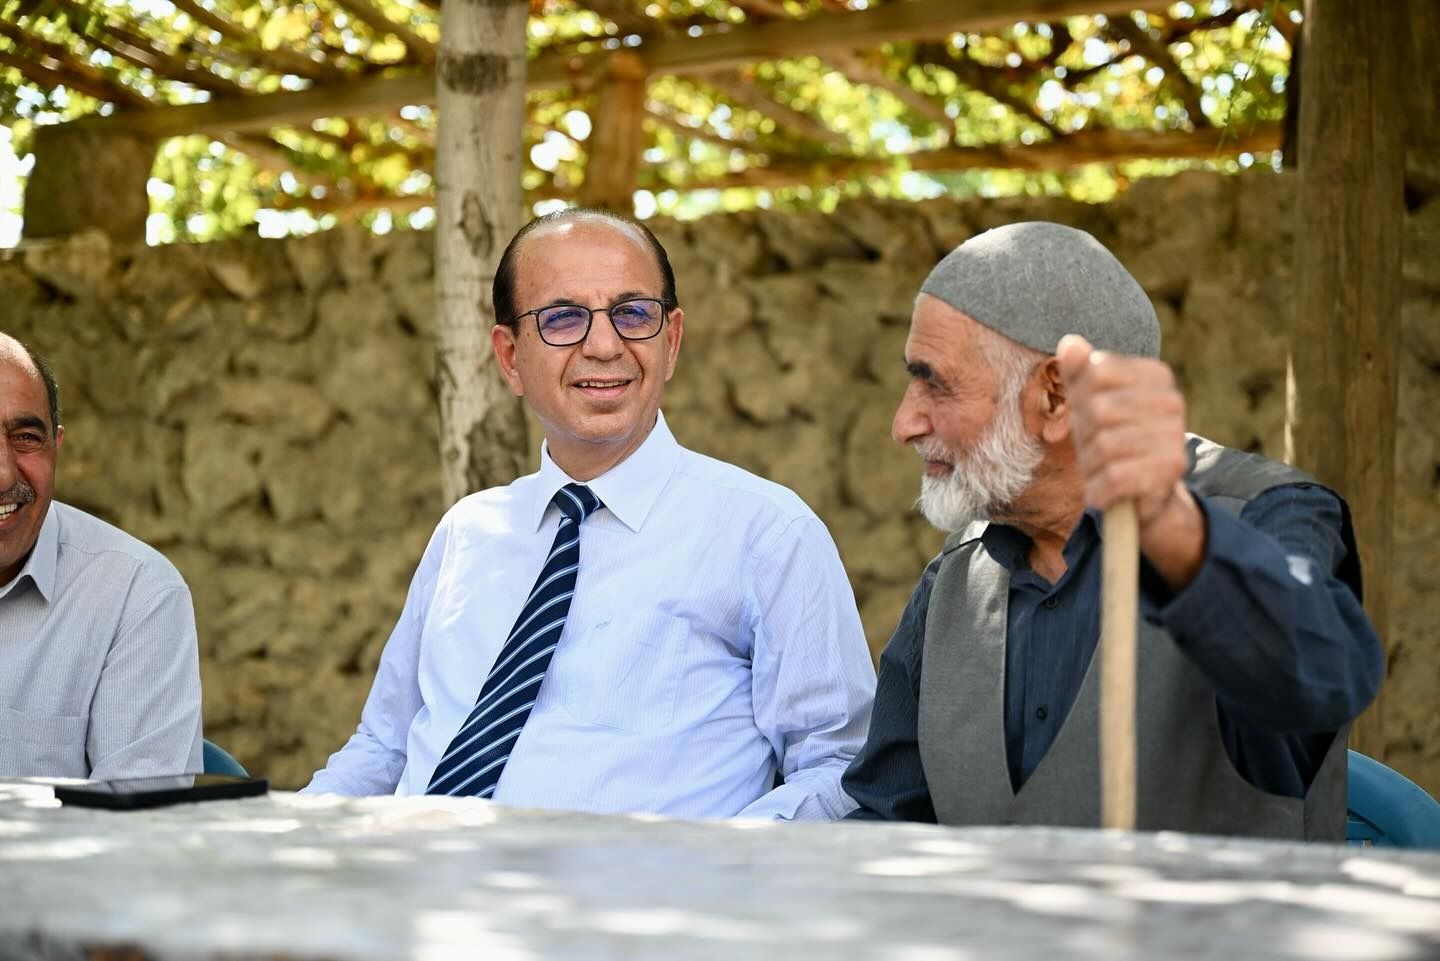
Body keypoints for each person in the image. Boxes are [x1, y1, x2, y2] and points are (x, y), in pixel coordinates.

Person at [305, 210, 875, 819]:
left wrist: (714, 861)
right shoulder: (466, 533)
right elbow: (384, 746)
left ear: (671, 341)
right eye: (562, 318)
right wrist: (280, 831)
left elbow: (837, 765)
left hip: (637, 879)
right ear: (509, 357)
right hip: (422, 868)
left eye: (633, 313)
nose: (604, 346)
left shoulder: (766, 534)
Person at [841, 222, 1382, 840]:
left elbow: (1323, 679)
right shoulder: (953, 582)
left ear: (1056, 397)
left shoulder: (1268, 515)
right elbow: (886, 826)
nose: (904, 423)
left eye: (934, 383)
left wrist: (1170, 527)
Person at [0, 333, 202, 779]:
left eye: (26, 437)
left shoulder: (136, 594)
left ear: (56, 446)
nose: (3, 473)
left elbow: (142, 812)